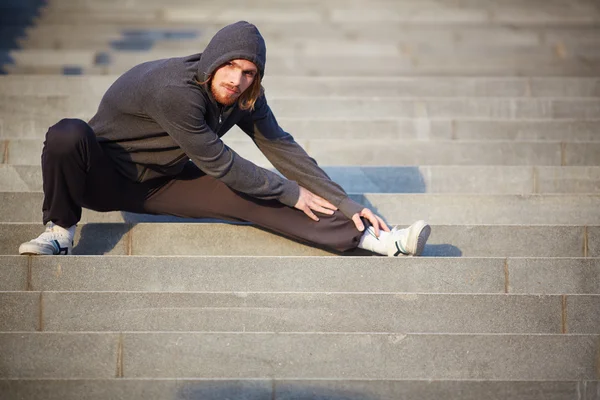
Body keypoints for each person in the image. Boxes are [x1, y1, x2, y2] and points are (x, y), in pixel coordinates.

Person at [18, 21, 430, 257]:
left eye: (249, 72)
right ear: (213, 61)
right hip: (101, 175)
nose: (237, 79)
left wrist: (344, 201)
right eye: (230, 66)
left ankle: (376, 240)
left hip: (161, 181)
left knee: (254, 194)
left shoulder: (244, 96)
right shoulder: (172, 90)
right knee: (66, 134)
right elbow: (219, 161)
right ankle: (60, 230)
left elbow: (280, 146)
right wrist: (291, 191)